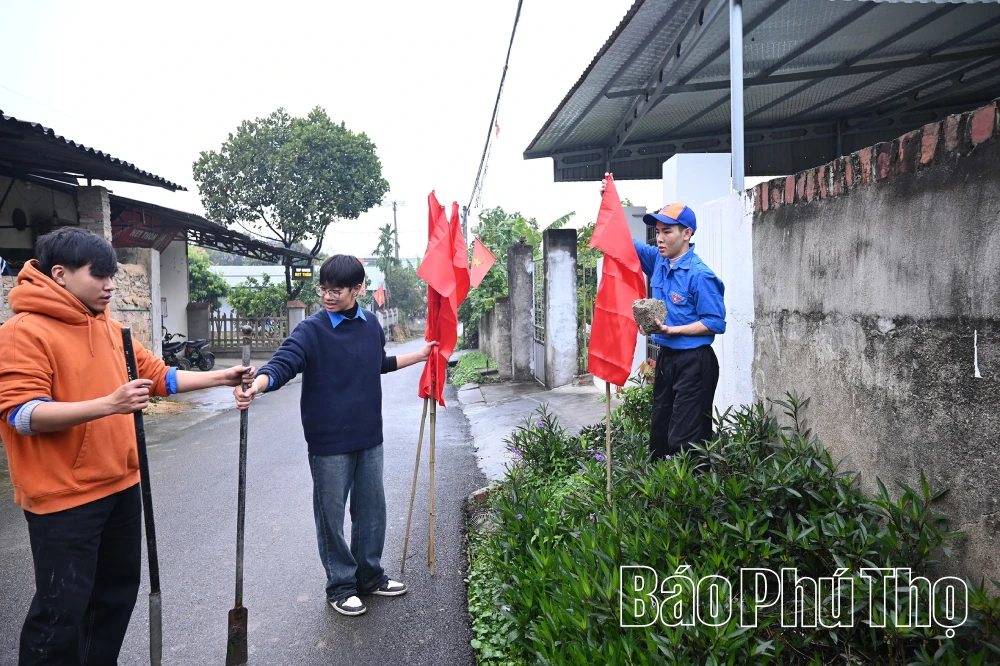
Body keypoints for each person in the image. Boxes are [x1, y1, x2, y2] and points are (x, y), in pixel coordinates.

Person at [0, 227, 255, 665]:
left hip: (121, 485)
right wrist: (109, 404)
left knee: (114, 598)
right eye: (98, 275)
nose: (110, 285)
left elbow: (158, 376)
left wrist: (220, 377)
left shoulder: (112, 329)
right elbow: (22, 414)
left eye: (112, 275)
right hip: (62, 498)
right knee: (61, 611)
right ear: (60, 274)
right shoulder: (23, 332)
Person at [233, 254, 437, 617]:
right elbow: (283, 363)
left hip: (369, 435)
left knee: (371, 511)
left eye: (336, 290)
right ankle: (341, 586)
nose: (327, 296)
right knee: (331, 516)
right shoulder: (311, 330)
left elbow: (378, 364)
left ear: (357, 289)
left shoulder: (371, 324)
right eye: (323, 289)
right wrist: (258, 385)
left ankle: (369, 577)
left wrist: (420, 356)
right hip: (328, 441)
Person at [601, 176, 727, 461]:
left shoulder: (700, 275)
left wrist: (673, 330)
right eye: (657, 231)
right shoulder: (658, 260)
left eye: (667, 231)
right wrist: (608, 202)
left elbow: (715, 323)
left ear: (687, 233)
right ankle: (662, 487)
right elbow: (623, 241)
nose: (659, 238)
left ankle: (694, 487)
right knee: (660, 435)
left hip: (695, 362)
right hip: (667, 359)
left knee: (687, 440)